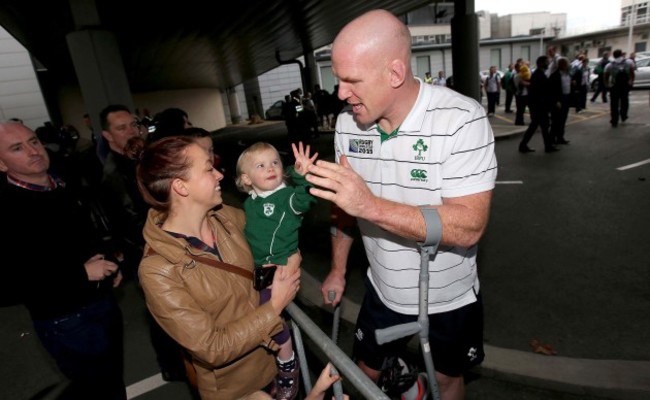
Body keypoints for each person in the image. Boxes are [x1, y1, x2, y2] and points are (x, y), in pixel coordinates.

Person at [304, 10, 497, 400]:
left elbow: (469, 225)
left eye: (351, 81)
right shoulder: (347, 125)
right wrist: (339, 270)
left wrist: (370, 206)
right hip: (383, 290)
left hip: (450, 298)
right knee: (363, 375)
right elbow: (344, 208)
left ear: (394, 74)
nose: (340, 93)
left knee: (447, 382)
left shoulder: (461, 120)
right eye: (337, 79)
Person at [134, 135, 302, 400]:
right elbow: (211, 347)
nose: (220, 175)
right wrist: (274, 306)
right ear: (181, 187)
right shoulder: (158, 270)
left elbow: (275, 242)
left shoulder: (226, 217)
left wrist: (290, 260)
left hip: (277, 362)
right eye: (208, 168)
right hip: (238, 390)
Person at [0, 121, 126, 400]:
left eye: (33, 141)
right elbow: (9, 282)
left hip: (101, 302)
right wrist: (80, 274)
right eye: (17, 148)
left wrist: (108, 263)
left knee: (113, 383)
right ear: (1, 163)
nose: (33, 151)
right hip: (66, 319)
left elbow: (82, 238)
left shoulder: (61, 184)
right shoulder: (7, 209)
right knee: (96, 391)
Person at [235, 141, 318, 399]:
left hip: (280, 269)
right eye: (261, 165)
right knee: (261, 316)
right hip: (260, 271)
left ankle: (288, 363)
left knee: (271, 318)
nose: (271, 168)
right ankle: (275, 360)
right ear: (247, 179)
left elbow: (305, 199)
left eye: (275, 163)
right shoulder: (252, 202)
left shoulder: (286, 197)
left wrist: (301, 175)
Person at [519, 56, 557, 153]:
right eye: (546, 62)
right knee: (540, 125)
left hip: (538, 106)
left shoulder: (539, 74)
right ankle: (545, 146)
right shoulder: (538, 75)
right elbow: (540, 92)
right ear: (541, 63)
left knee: (540, 126)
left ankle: (545, 146)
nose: (548, 64)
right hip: (539, 107)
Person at [604, 49, 635, 127]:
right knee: (624, 102)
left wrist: (607, 85)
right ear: (621, 54)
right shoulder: (629, 62)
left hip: (614, 86)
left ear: (613, 56)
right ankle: (623, 115)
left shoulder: (610, 65)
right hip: (625, 86)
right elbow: (632, 73)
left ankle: (614, 120)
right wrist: (631, 82)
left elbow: (606, 76)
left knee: (614, 104)